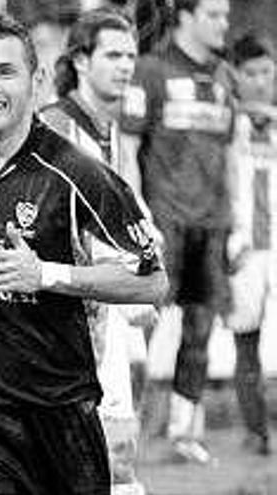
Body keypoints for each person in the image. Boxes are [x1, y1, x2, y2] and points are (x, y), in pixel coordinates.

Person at [0, 14, 168, 495]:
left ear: (37, 81)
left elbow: (151, 282)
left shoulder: (78, 175)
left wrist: (47, 274)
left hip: (58, 411)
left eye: (5, 71)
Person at [39, 9, 154, 494]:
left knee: (115, 456)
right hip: (66, 317)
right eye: (113, 55)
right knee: (108, 459)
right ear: (81, 61)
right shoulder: (55, 129)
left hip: (103, 306)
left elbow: (120, 207)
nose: (126, 65)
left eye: (130, 55)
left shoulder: (109, 128)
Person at [119, 0, 234, 465]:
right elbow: (127, 147)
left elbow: (231, 154)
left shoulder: (226, 78)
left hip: (213, 223)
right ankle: (120, 428)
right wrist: (137, 214)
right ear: (185, 17)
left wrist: (236, 221)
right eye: (214, 15)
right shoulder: (150, 70)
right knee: (140, 327)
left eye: (226, 16)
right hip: (162, 222)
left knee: (201, 330)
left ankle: (184, 434)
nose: (223, 24)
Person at [223, 31, 275, 457]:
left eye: (266, 72)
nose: (260, 80)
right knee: (246, 342)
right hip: (244, 250)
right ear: (236, 77)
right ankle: (257, 433)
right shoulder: (226, 128)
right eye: (252, 73)